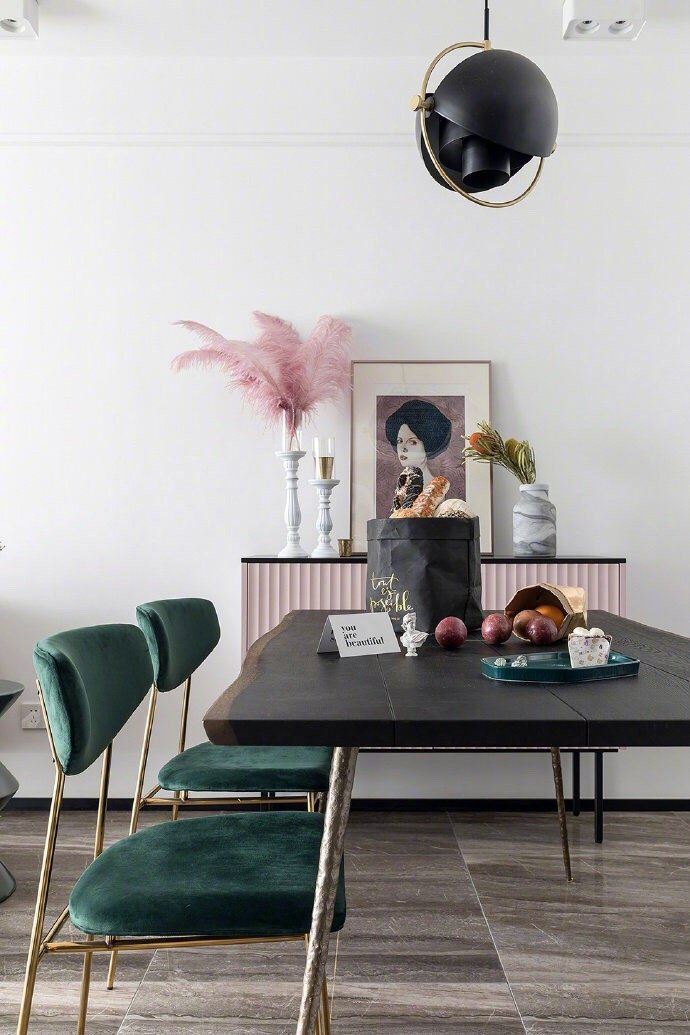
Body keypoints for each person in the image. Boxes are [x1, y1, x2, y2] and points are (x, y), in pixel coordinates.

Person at [384, 399, 452, 486]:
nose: (402, 448)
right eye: (399, 441)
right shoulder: (404, 485)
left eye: (412, 442)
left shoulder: (433, 488)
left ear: (428, 445)